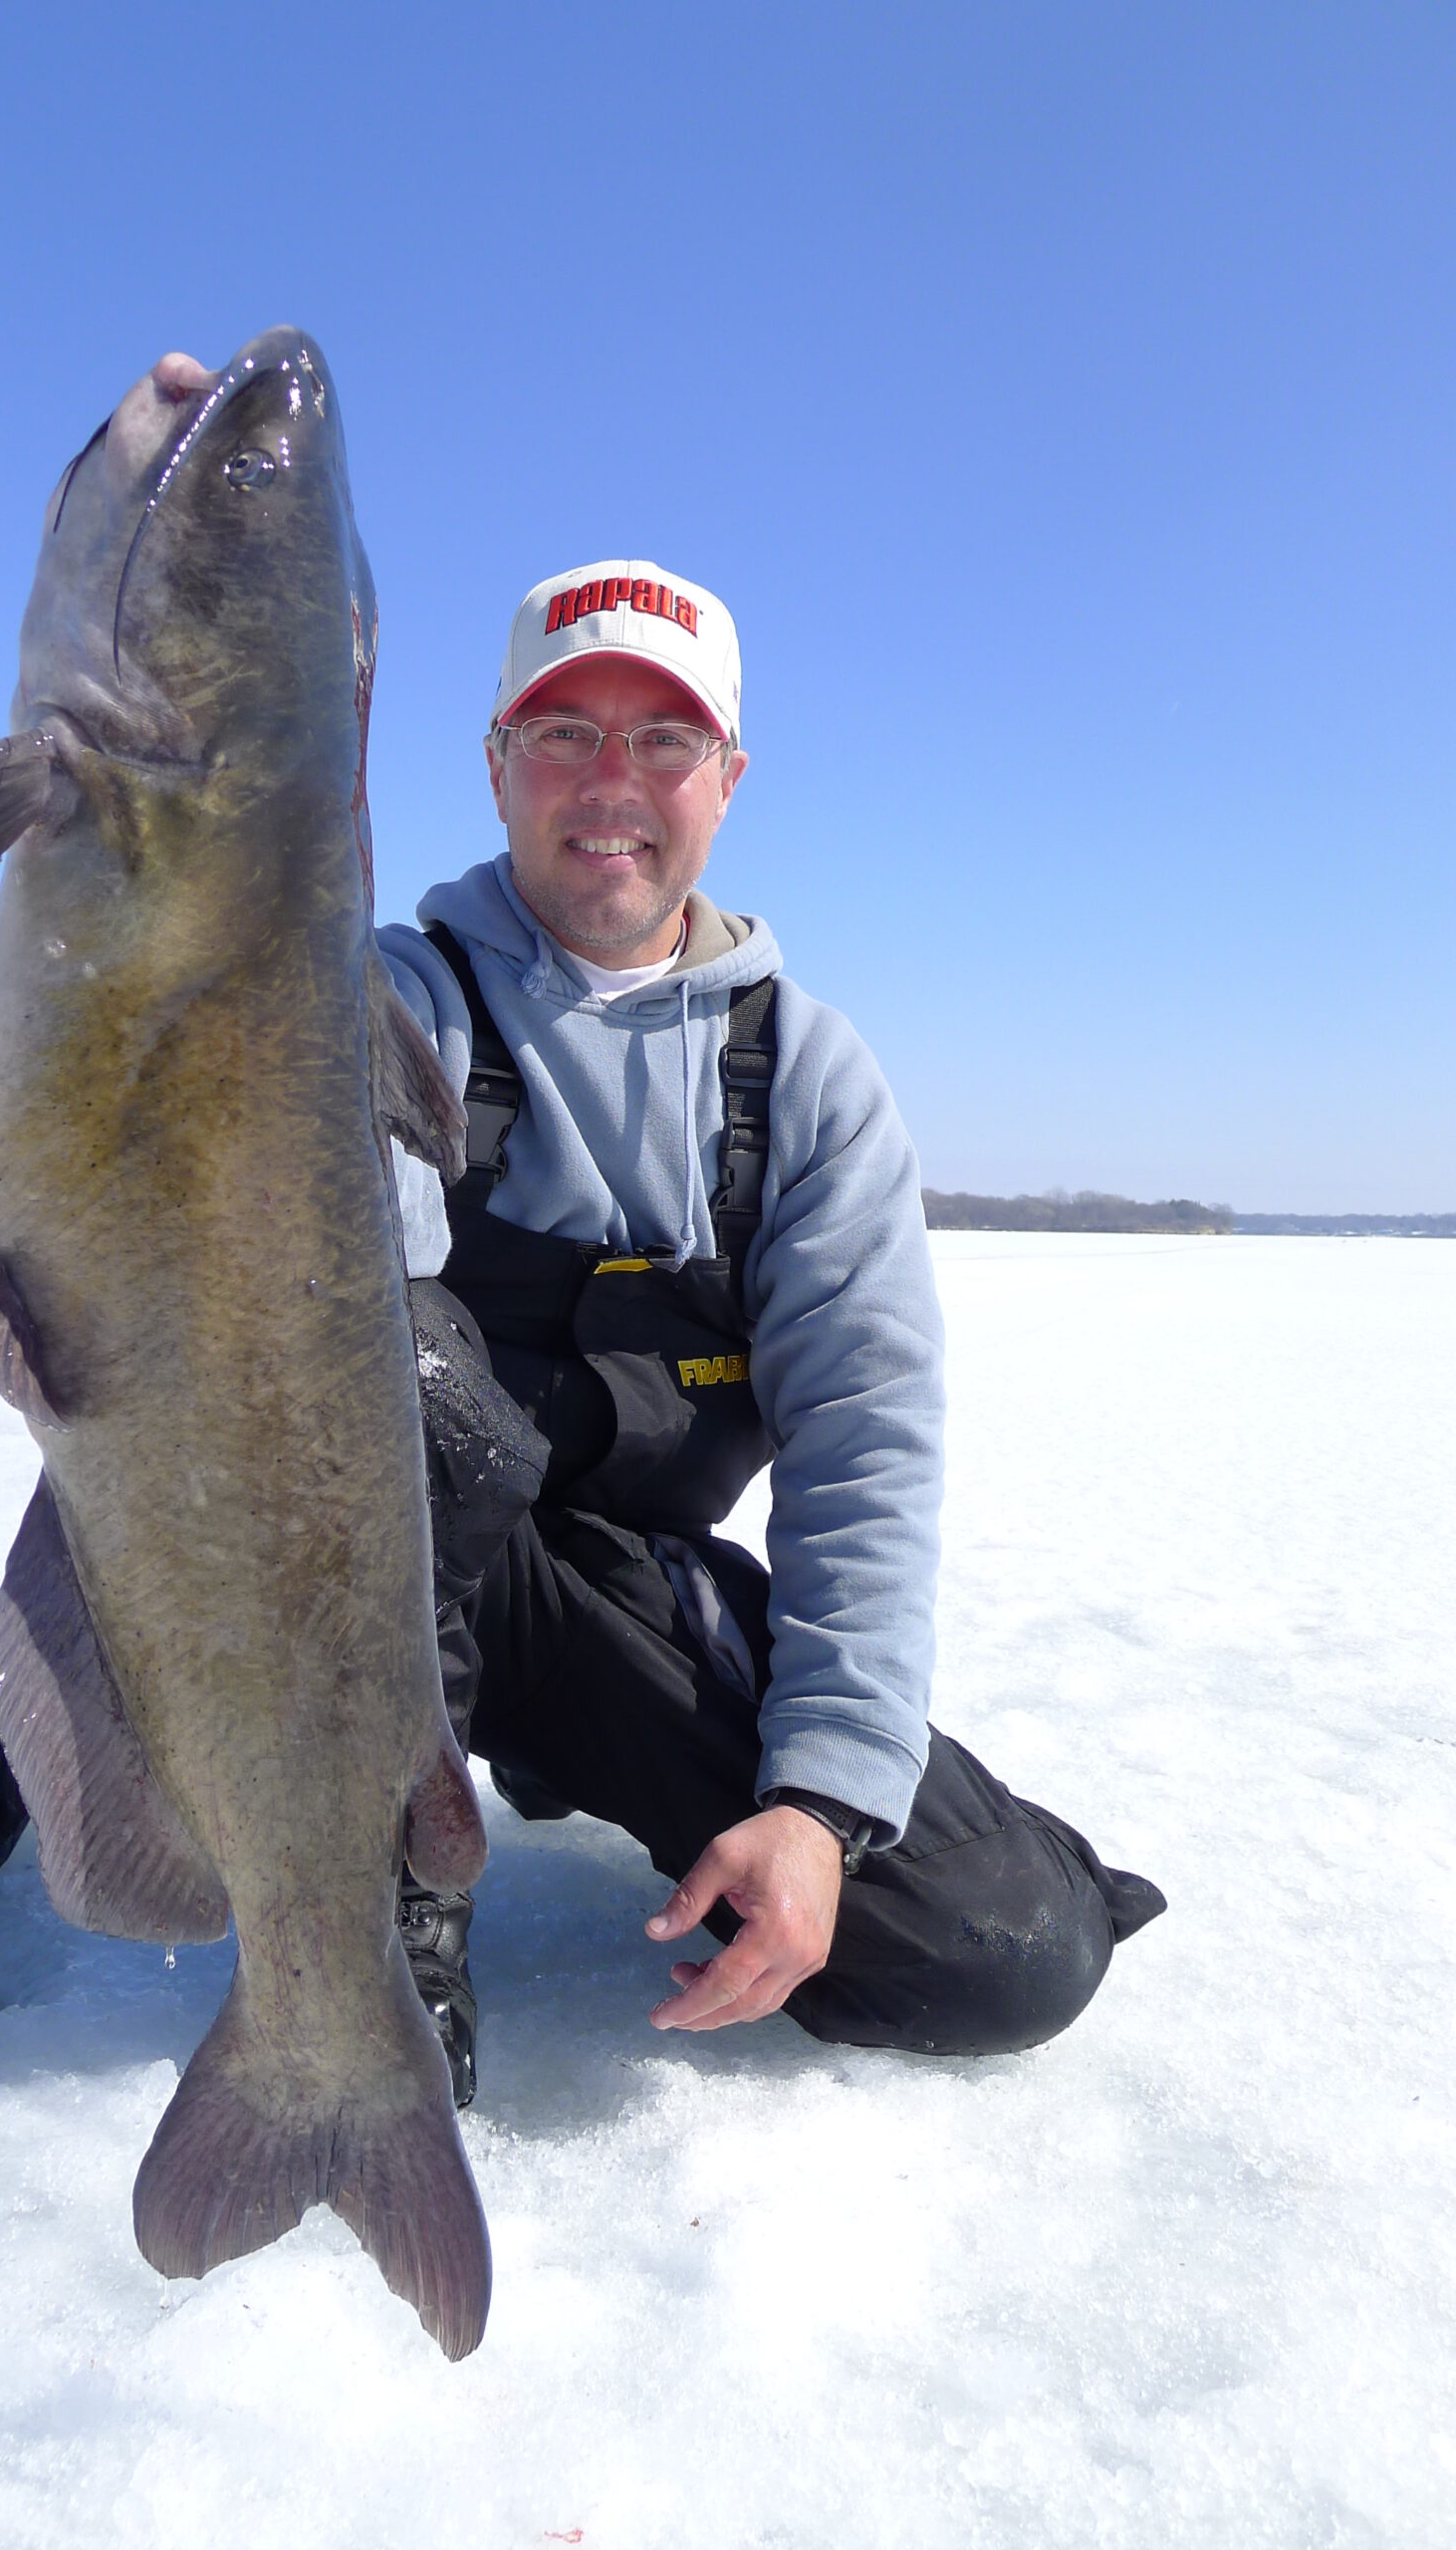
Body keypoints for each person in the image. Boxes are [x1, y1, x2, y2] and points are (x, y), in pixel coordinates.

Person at [378, 561, 1163, 2106]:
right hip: (374, 1604)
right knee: (385, 1375)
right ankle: (373, 1921)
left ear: (726, 780)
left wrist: (817, 1801)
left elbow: (866, 1445)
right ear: (492, 767)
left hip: (605, 1589)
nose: (613, 784)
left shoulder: (800, 1076)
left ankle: (931, 1834)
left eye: (662, 741)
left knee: (1003, 1958)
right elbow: (300, 1281)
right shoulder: (393, 1005)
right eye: (562, 732)